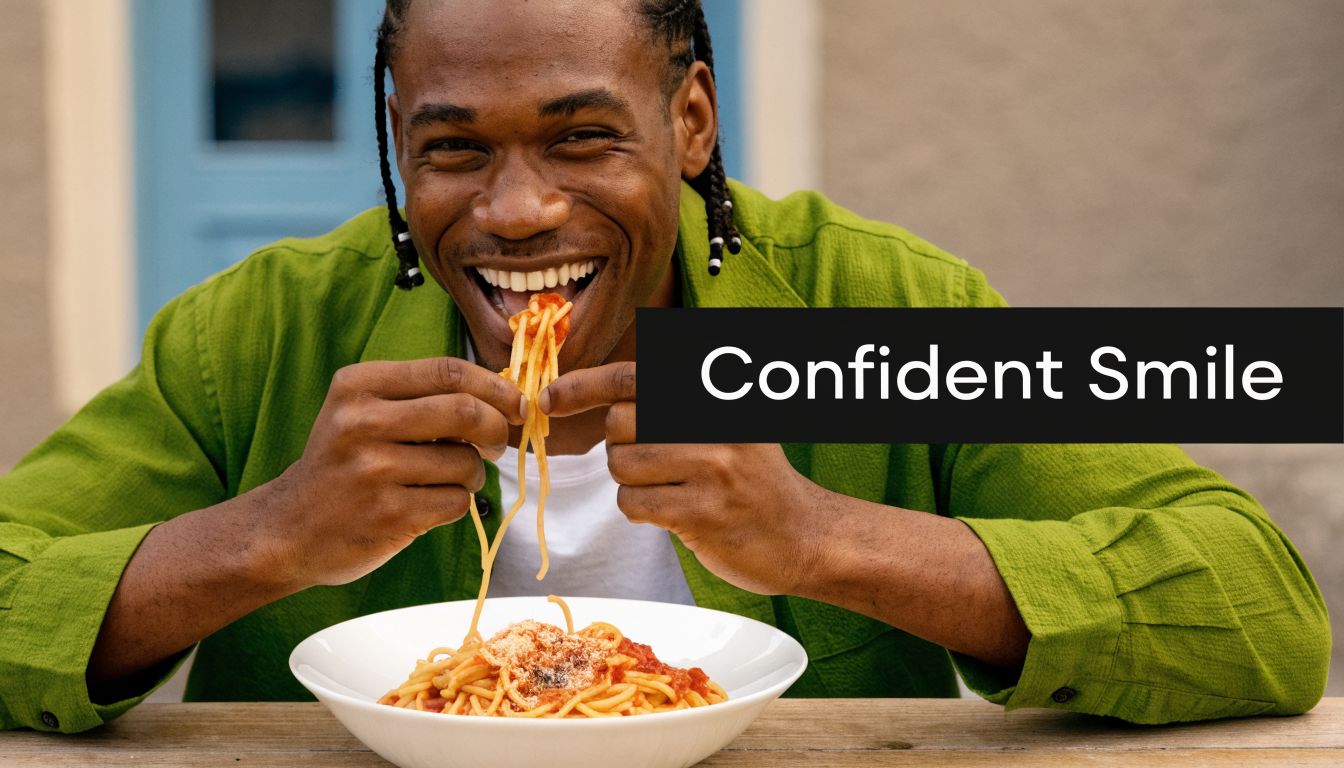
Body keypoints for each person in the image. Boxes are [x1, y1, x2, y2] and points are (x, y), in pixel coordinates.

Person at [0, 0, 1328, 733]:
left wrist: (823, 537)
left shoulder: (869, 310)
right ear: (398, 145)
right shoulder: (260, 333)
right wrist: (267, 537)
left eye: (582, 138)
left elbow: (1261, 611)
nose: (518, 210)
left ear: (690, 122)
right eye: (454, 150)